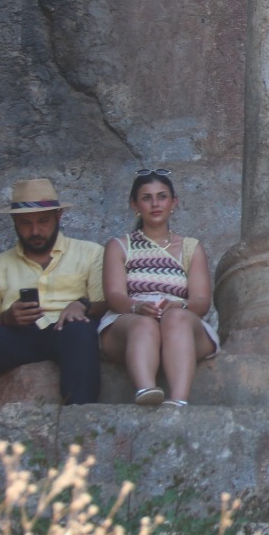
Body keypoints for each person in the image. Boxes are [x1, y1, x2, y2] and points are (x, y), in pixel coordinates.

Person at [0, 178, 106, 411]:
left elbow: (106, 304)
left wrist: (81, 305)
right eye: (25, 223)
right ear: (14, 221)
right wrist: (5, 318)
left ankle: (79, 416)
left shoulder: (90, 253)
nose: (35, 231)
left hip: (67, 331)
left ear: (58, 216)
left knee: (80, 330)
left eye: (43, 221)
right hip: (17, 335)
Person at [98, 169, 218, 407]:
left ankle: (178, 401)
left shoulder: (190, 247)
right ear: (134, 204)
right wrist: (137, 306)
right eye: (146, 198)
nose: (155, 204)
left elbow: (202, 302)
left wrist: (179, 305)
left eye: (162, 196)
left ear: (174, 202)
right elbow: (114, 295)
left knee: (175, 318)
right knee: (144, 324)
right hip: (130, 319)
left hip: (181, 322)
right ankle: (146, 390)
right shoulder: (119, 246)